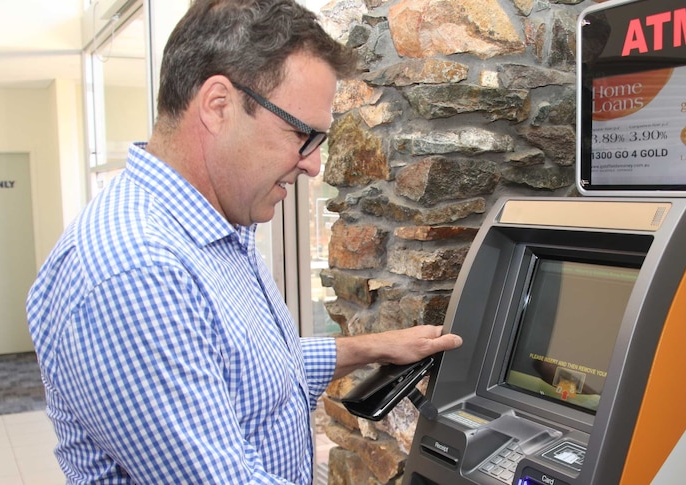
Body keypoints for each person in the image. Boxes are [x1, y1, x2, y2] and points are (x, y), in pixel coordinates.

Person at [26, 0, 463, 483]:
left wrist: (373, 347)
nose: (313, 165)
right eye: (301, 134)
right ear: (218, 105)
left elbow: (244, 370)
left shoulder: (212, 229)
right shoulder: (136, 270)